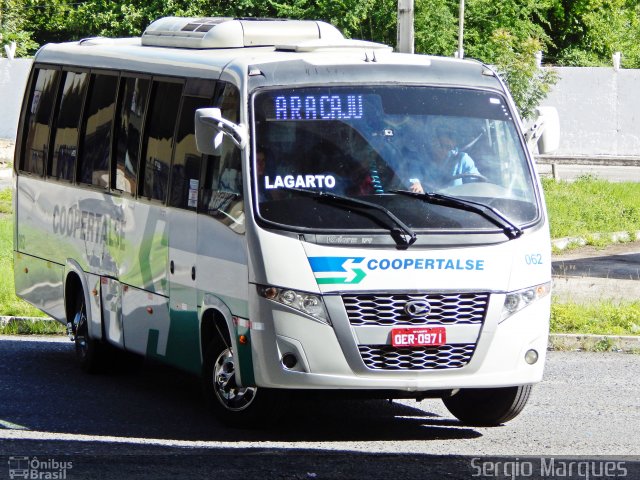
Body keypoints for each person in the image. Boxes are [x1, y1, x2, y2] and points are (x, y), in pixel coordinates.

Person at [409, 128, 480, 193]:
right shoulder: (422, 159)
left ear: (453, 146)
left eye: (448, 147)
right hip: (427, 202)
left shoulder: (462, 159)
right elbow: (414, 175)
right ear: (433, 142)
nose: (443, 150)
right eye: (440, 145)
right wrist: (416, 183)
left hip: (457, 204)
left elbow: (476, 185)